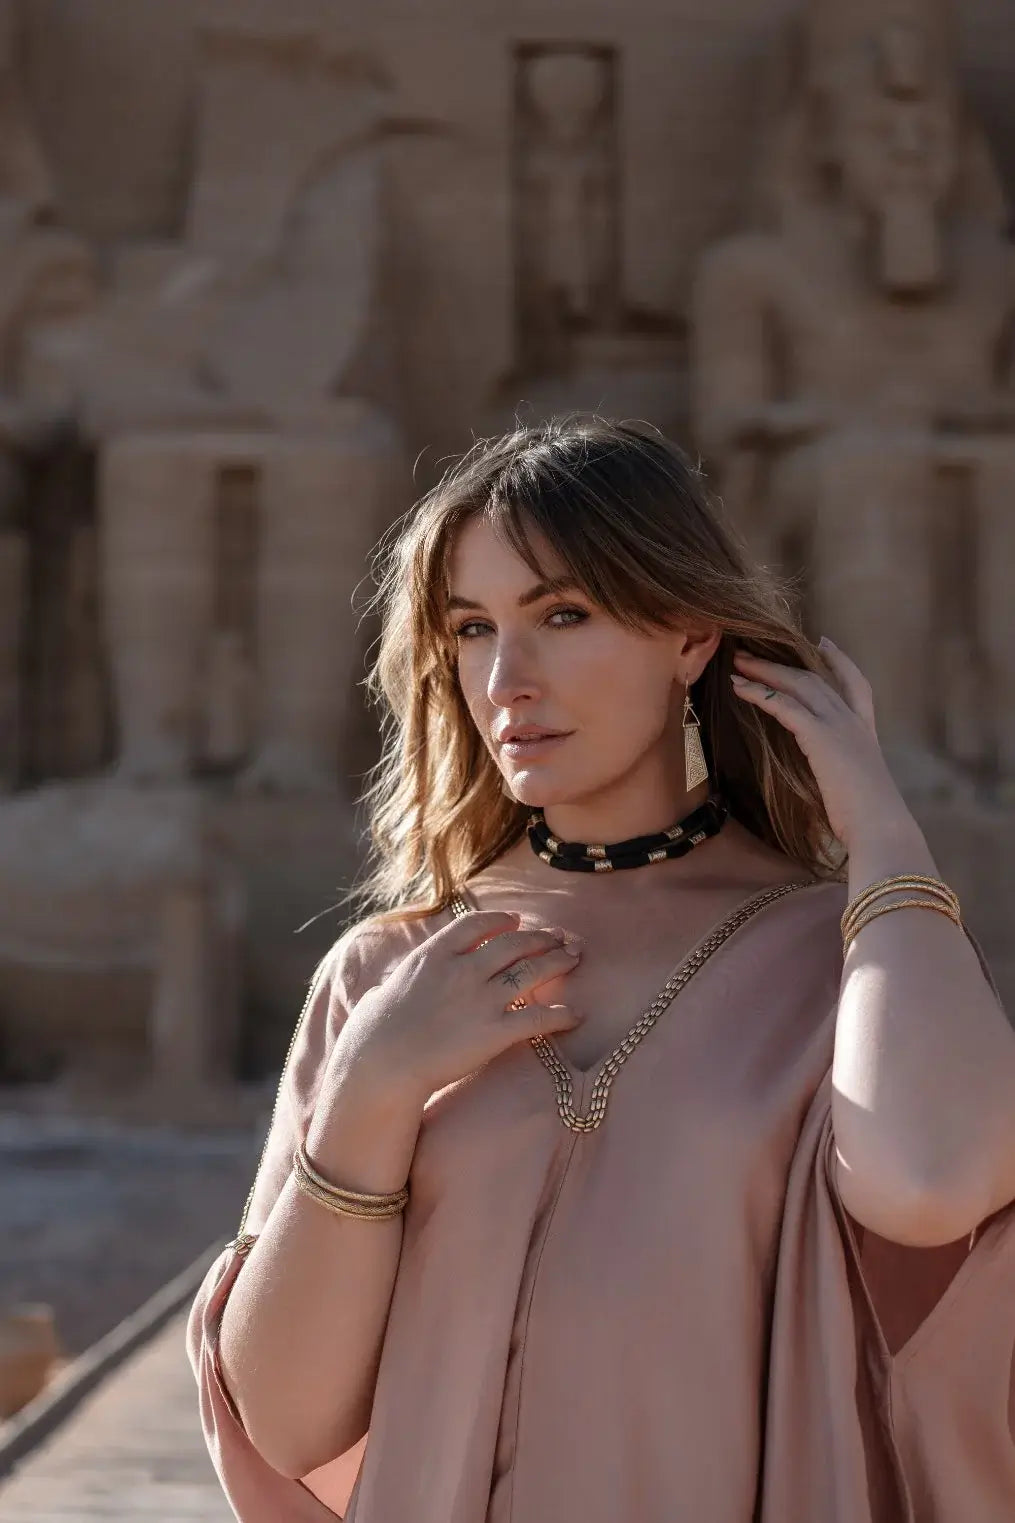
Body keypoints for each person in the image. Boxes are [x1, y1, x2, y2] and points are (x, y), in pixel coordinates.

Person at [187, 416, 1015, 1521]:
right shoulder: (389, 972)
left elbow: (932, 1187)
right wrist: (371, 1092)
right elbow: (284, 1425)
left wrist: (882, 835)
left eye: (561, 614)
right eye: (471, 628)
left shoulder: (852, 962)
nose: (505, 677)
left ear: (686, 633)